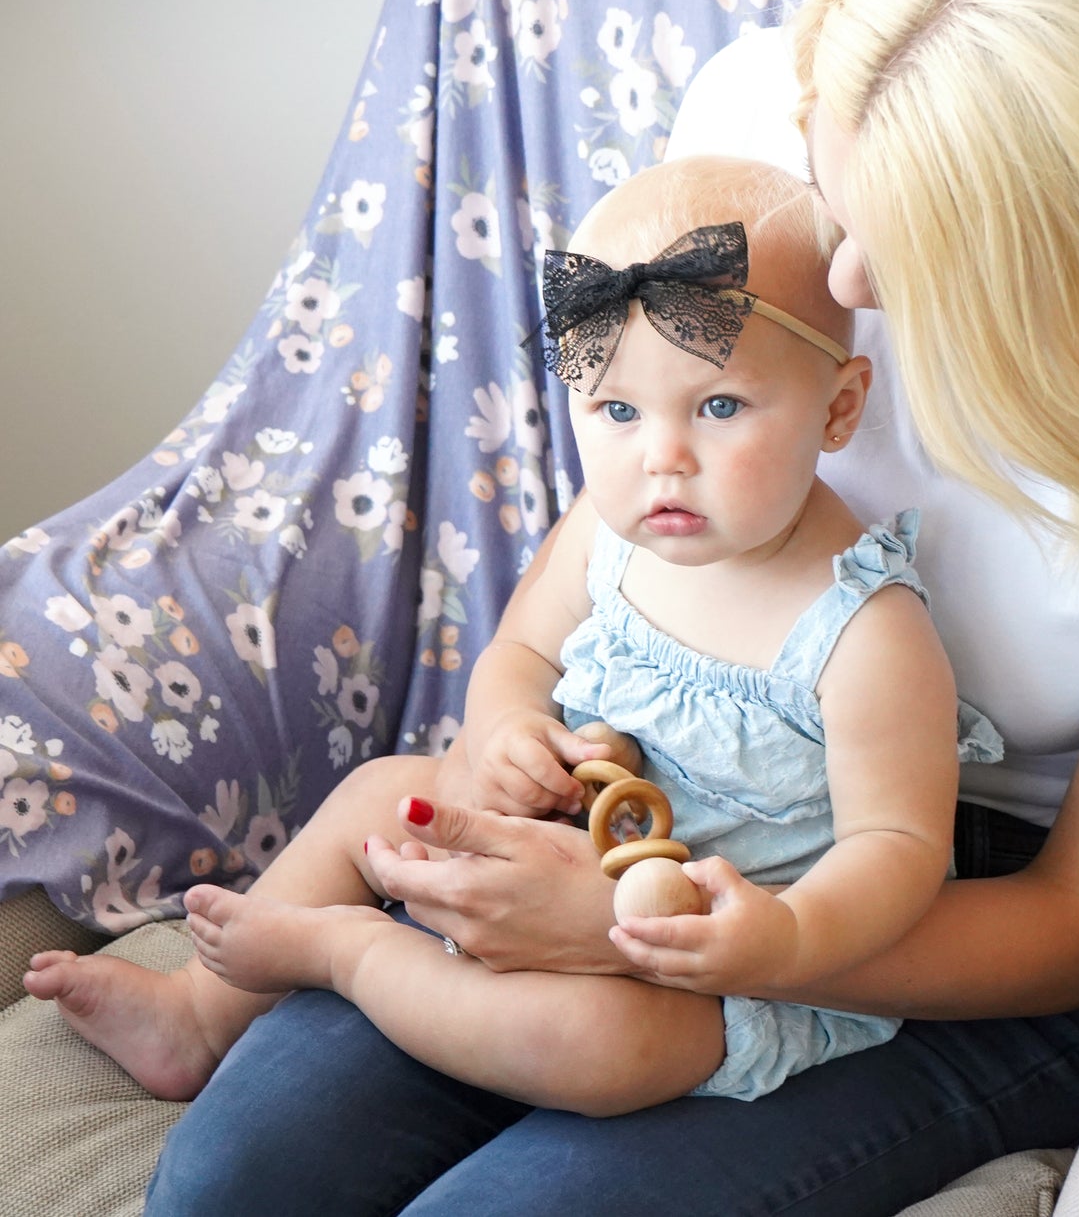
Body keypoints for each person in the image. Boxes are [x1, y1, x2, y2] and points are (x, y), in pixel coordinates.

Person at [134, 0, 1079, 1216]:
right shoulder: (761, 146)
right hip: (665, 806)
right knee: (235, 1180)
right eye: (830, 188)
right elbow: (619, 532)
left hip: (971, 905)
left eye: (894, 240)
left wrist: (668, 942)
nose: (838, 269)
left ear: (1073, 260)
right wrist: (549, 782)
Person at [25, 154, 966, 1117]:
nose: (663, 459)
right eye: (617, 411)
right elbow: (517, 656)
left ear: (839, 407)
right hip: (549, 850)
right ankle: (200, 1009)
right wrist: (513, 731)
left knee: (599, 1046)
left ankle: (351, 951)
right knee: (388, 790)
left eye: (718, 406)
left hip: (710, 952)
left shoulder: (862, 631)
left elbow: (897, 843)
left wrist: (787, 936)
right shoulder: (605, 533)